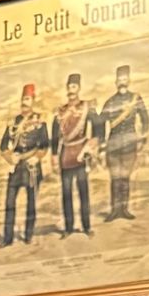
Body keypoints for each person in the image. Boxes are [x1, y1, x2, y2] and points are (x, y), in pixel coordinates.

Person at [96, 64, 149, 221]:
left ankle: (124, 209)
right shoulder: (110, 102)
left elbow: (145, 119)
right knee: (115, 177)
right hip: (113, 144)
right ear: (116, 82)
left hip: (129, 142)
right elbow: (100, 123)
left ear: (129, 80)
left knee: (125, 177)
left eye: (125, 79)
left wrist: (143, 139)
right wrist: (101, 144)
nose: (122, 82)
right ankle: (114, 210)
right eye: (120, 79)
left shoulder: (136, 99)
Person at [0, 83, 48, 248]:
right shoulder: (14, 122)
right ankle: (7, 238)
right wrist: (10, 158)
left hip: (31, 168)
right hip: (16, 168)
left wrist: (37, 158)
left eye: (27, 99)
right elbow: (3, 146)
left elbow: (45, 145)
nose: (24, 102)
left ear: (33, 100)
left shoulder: (39, 122)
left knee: (31, 203)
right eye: (23, 99)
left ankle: (28, 236)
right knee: (9, 203)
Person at [50, 73, 98, 237]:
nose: (71, 90)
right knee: (66, 193)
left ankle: (86, 227)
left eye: (74, 86)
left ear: (79, 88)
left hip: (81, 155)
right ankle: (68, 228)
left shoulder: (86, 107)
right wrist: (54, 155)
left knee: (83, 192)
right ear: (67, 89)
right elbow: (55, 136)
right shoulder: (60, 111)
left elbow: (98, 126)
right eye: (69, 86)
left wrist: (91, 144)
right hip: (65, 156)